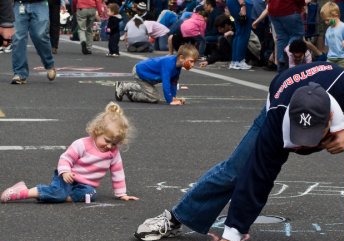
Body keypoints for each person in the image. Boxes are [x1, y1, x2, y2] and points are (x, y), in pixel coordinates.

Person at [134, 61, 344, 241]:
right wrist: (228, 239)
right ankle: (177, 216)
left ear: (331, 119)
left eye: (312, 138)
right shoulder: (277, 120)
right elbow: (257, 179)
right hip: (282, 98)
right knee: (237, 169)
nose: (304, 146)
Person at [1, 102, 139, 204]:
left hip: (85, 185)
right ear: (97, 131)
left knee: (90, 194)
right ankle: (24, 192)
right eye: (107, 141)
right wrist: (65, 172)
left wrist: (122, 194)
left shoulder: (113, 153)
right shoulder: (82, 144)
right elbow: (65, 158)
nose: (110, 146)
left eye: (114, 143)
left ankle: (58, 196)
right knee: (58, 192)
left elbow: (118, 172)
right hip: (68, 177)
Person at [114, 43, 198, 105]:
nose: (193, 65)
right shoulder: (169, 64)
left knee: (149, 91)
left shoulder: (178, 66)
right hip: (140, 72)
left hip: (150, 76)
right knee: (154, 98)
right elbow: (166, 83)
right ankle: (128, 91)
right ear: (181, 58)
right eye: (191, 61)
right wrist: (170, 100)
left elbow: (173, 82)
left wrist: (174, 97)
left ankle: (125, 87)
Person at [11, 0, 57, 84]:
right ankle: (20, 73)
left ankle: (49, 64)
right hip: (19, 4)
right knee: (17, 37)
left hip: (40, 3)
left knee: (40, 35)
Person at [267, 0, 306, 72]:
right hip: (289, 9)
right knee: (297, 35)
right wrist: (302, 5)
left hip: (273, 9)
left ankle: (281, 66)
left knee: (281, 38)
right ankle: (285, 56)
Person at [320, 1, 344, 68]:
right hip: (331, 58)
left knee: (342, 74)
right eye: (325, 20)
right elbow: (327, 46)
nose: (326, 22)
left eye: (328, 20)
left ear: (336, 15)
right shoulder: (328, 30)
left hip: (343, 58)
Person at [226, 0, 253, 70]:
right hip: (240, 3)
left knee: (239, 33)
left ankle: (235, 61)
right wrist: (243, 5)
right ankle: (239, 61)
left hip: (233, 3)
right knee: (243, 33)